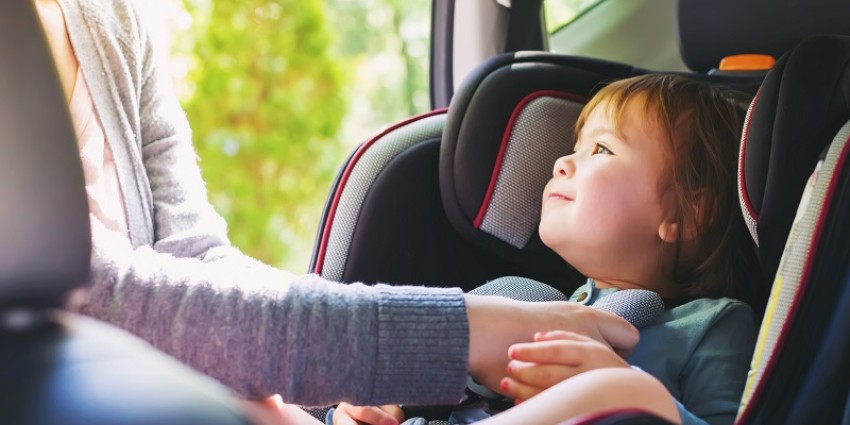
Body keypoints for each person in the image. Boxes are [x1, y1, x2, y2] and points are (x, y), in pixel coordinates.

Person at [32, 0, 640, 418]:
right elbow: (81, 288)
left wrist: (333, 389)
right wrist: (459, 332)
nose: (564, 162)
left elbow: (194, 256)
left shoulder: (109, 19)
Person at [332, 74, 761, 425]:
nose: (562, 162)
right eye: (575, 147)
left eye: (601, 149)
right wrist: (377, 408)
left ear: (688, 213)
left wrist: (624, 393)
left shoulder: (711, 326)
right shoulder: (519, 302)